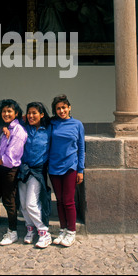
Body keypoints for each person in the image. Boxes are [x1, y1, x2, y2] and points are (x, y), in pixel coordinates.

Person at [0, 99, 27, 246]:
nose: (6, 113)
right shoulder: (4, 128)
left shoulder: (19, 131)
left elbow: (12, 155)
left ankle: (12, 231)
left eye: (10, 111)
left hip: (9, 169)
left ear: (16, 113)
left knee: (9, 200)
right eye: (4, 111)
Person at [48, 94, 85, 247]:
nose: (61, 111)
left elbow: (81, 148)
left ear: (69, 108)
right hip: (54, 166)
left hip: (70, 166)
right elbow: (32, 119)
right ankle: (62, 229)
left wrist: (80, 169)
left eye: (64, 107)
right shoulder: (52, 124)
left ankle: (71, 231)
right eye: (58, 108)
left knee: (69, 201)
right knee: (59, 200)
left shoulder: (77, 124)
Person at [17, 102, 52, 248]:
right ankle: (30, 228)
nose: (31, 116)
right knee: (23, 204)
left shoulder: (49, 129)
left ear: (42, 114)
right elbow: (9, 121)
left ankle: (44, 232)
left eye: (34, 113)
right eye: (29, 113)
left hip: (37, 171)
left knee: (32, 202)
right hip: (23, 168)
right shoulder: (25, 127)